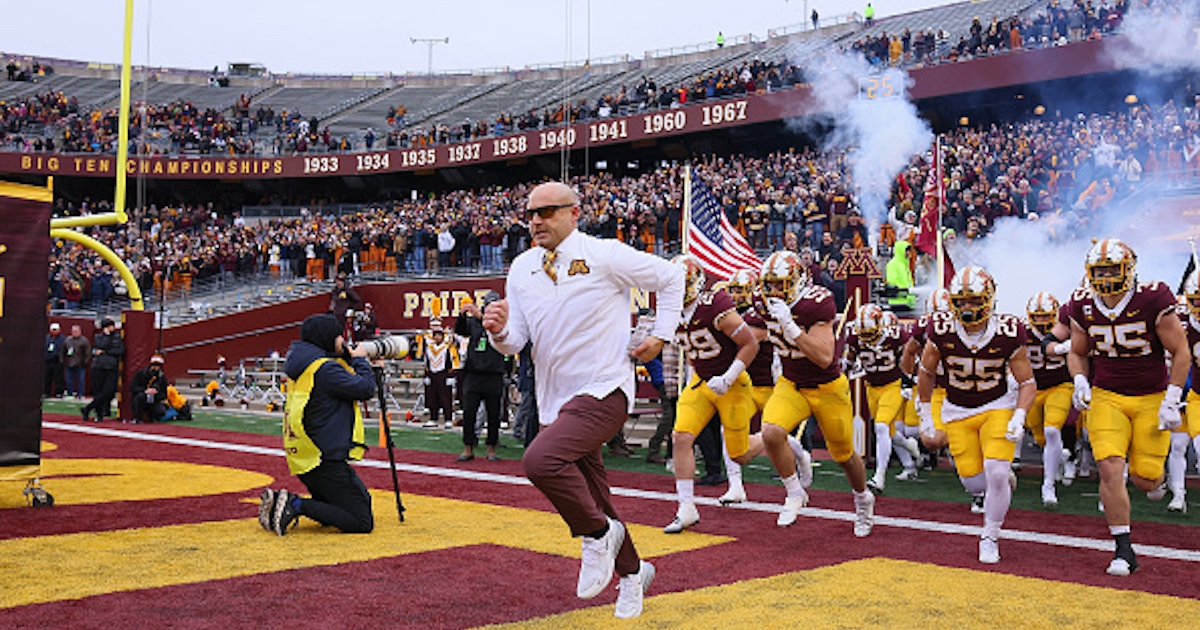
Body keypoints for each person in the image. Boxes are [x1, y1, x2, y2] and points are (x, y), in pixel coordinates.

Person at [481, 181, 684, 619]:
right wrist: (498, 330)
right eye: (531, 213)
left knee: (540, 462)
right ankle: (633, 573)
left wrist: (660, 335)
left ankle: (595, 537)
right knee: (598, 501)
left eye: (548, 211)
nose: (536, 220)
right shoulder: (521, 268)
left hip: (604, 389)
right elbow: (517, 342)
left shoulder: (603, 253)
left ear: (575, 213)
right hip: (554, 403)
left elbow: (672, 276)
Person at [1066, 238, 1190, 576]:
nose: (1105, 276)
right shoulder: (1082, 303)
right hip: (1107, 394)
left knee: (1145, 480)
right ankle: (1123, 549)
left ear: (1129, 268)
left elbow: (1181, 352)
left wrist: (1171, 398)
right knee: (1108, 466)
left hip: (1151, 395)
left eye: (1112, 269)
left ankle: (1159, 483)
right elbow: (1076, 352)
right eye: (1099, 270)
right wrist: (1080, 381)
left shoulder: (1153, 296)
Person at [917, 266, 1036, 564]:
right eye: (961, 301)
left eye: (973, 300)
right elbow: (926, 372)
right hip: (957, 410)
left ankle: (990, 536)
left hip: (996, 405)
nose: (967, 308)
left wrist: (1019, 416)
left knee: (995, 472)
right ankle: (1000, 480)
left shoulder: (1009, 330)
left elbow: (1027, 382)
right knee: (974, 484)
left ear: (989, 298)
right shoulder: (941, 327)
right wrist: (925, 415)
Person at [757, 250, 875, 535]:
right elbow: (749, 333)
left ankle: (863, 499)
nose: (773, 291)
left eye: (780, 284)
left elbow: (824, 357)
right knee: (771, 431)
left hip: (827, 387)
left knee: (844, 455)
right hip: (792, 383)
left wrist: (790, 327)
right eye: (769, 284)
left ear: (798, 281)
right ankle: (795, 491)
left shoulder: (816, 303)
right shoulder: (759, 302)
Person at [662, 256, 764, 534]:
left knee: (739, 454)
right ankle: (686, 507)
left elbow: (750, 344)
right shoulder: (670, 308)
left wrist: (728, 376)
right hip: (701, 382)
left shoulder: (715, 304)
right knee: (681, 437)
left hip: (732, 382)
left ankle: (775, 437)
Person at [262, 313, 377, 536]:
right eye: (338, 336)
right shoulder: (325, 369)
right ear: (326, 337)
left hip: (307, 453)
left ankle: (284, 502)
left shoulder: (303, 365)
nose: (342, 342)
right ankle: (294, 505)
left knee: (344, 505)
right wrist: (362, 361)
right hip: (325, 456)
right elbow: (365, 389)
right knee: (361, 521)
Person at [847, 304, 920, 493]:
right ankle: (909, 459)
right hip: (872, 387)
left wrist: (908, 382)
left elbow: (912, 357)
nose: (867, 338)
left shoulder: (896, 336)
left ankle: (879, 477)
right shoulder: (855, 337)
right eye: (863, 333)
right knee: (887, 431)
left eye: (870, 332)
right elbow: (849, 361)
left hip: (893, 385)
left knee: (881, 427)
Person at [1022, 291, 1075, 507]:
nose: (1042, 321)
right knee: (1043, 439)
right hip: (1034, 389)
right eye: (1038, 316)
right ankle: (1060, 458)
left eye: (1046, 316)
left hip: (1060, 386)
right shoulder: (1022, 333)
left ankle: (1048, 485)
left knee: (1053, 430)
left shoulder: (1065, 331)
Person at [455, 291, 512, 462]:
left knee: (493, 414)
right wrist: (462, 315)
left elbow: (495, 331)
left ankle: (491, 448)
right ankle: (468, 447)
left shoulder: (503, 324)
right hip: (474, 373)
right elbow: (460, 330)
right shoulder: (474, 322)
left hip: (494, 373)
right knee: (469, 413)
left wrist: (480, 316)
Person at [1170, 270, 1200, 513]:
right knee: (1178, 445)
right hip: (1185, 392)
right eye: (1196, 299)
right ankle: (1178, 494)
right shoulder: (1180, 321)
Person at [416, 319, 460, 430]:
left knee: (445, 398)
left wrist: (451, 376)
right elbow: (427, 362)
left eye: (440, 335)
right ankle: (433, 418)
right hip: (432, 374)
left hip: (443, 375)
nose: (437, 338)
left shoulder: (447, 348)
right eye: (436, 335)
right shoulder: (429, 348)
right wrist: (426, 375)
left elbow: (451, 362)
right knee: (432, 398)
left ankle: (448, 419)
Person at [81, 318, 124, 422]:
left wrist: (105, 351)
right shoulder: (98, 337)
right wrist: (107, 339)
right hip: (98, 366)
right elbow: (98, 347)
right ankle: (99, 414)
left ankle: (88, 408)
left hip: (111, 367)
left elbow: (120, 350)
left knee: (109, 391)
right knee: (98, 390)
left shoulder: (118, 337)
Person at [130, 353, 170, 423]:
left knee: (161, 411)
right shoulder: (141, 374)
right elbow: (132, 387)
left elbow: (164, 394)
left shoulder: (162, 378)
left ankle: (152, 417)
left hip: (154, 400)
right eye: (154, 365)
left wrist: (156, 393)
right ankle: (138, 417)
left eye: (158, 366)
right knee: (140, 398)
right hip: (141, 398)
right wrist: (145, 391)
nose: (156, 367)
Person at [884, 240, 917, 310]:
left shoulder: (905, 264)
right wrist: (904, 290)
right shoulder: (892, 264)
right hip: (898, 302)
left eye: (908, 250)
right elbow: (892, 281)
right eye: (906, 250)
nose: (908, 253)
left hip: (907, 302)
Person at [63, 324, 91, 399]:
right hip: (69, 363)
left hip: (80, 364)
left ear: (80, 331)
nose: (74, 333)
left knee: (81, 380)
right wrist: (63, 361)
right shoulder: (68, 340)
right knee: (69, 380)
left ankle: (80, 394)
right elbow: (63, 351)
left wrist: (85, 362)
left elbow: (87, 353)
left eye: (76, 331)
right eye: (73, 331)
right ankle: (70, 393)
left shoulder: (84, 341)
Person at [44, 322, 66, 398]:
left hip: (57, 361)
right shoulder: (47, 338)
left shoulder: (63, 339)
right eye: (52, 330)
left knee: (58, 378)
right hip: (47, 360)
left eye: (55, 330)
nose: (54, 331)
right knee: (47, 377)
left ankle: (59, 392)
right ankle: (46, 392)